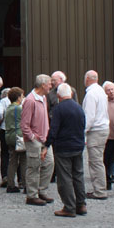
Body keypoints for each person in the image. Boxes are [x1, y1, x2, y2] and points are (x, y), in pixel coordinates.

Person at [48, 83, 87, 218]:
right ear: (70, 94)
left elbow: (54, 129)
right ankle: (81, 204)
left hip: (63, 147)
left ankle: (69, 206)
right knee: (78, 175)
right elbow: (83, 126)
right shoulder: (79, 108)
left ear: (58, 95)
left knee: (65, 177)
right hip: (78, 146)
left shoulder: (58, 109)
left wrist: (47, 145)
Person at [22, 74, 55, 206]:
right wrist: (32, 138)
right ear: (43, 85)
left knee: (49, 164)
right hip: (35, 140)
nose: (51, 86)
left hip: (44, 139)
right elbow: (24, 124)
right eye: (49, 84)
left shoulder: (43, 98)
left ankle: (41, 190)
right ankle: (32, 195)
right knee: (34, 167)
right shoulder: (30, 100)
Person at [82, 70, 110, 200]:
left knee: (95, 161)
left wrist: (83, 132)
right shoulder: (100, 91)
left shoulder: (91, 94)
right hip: (103, 128)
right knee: (98, 160)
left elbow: (89, 116)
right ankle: (100, 189)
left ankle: (99, 191)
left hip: (96, 131)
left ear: (87, 78)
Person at [2, 87, 25, 192]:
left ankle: (10, 184)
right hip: (19, 136)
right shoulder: (19, 108)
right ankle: (24, 183)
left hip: (9, 136)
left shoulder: (8, 109)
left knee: (12, 161)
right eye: (22, 96)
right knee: (24, 160)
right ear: (18, 97)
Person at [0, 87, 11, 186]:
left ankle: (5, 176)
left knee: (4, 154)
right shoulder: (22, 100)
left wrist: (1, 119)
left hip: (5, 129)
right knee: (18, 154)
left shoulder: (3, 101)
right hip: (18, 131)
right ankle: (21, 179)